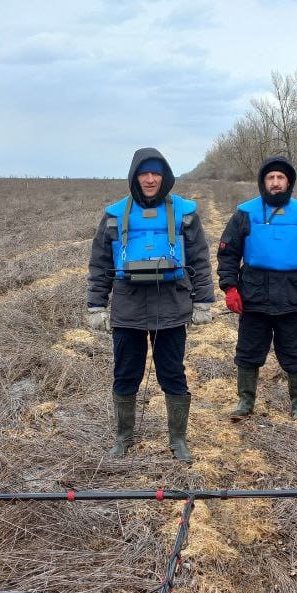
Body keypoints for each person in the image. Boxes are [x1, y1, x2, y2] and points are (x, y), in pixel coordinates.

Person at [86, 148, 214, 462]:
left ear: (165, 176)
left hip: (171, 307)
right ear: (135, 176)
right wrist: (96, 306)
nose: (151, 178)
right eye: (144, 173)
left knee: (172, 372)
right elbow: (100, 263)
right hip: (127, 309)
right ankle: (124, 437)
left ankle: (178, 440)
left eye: (156, 173)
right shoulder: (114, 215)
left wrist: (203, 302)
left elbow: (199, 258)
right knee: (125, 373)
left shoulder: (185, 212)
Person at [216, 156, 297, 422]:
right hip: (254, 295)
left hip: (293, 296)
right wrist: (230, 288)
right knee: (248, 352)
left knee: (296, 352)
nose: (275, 182)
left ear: (289, 182)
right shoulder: (245, 213)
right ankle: (245, 403)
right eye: (270, 178)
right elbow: (228, 253)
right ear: (263, 182)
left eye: (280, 177)